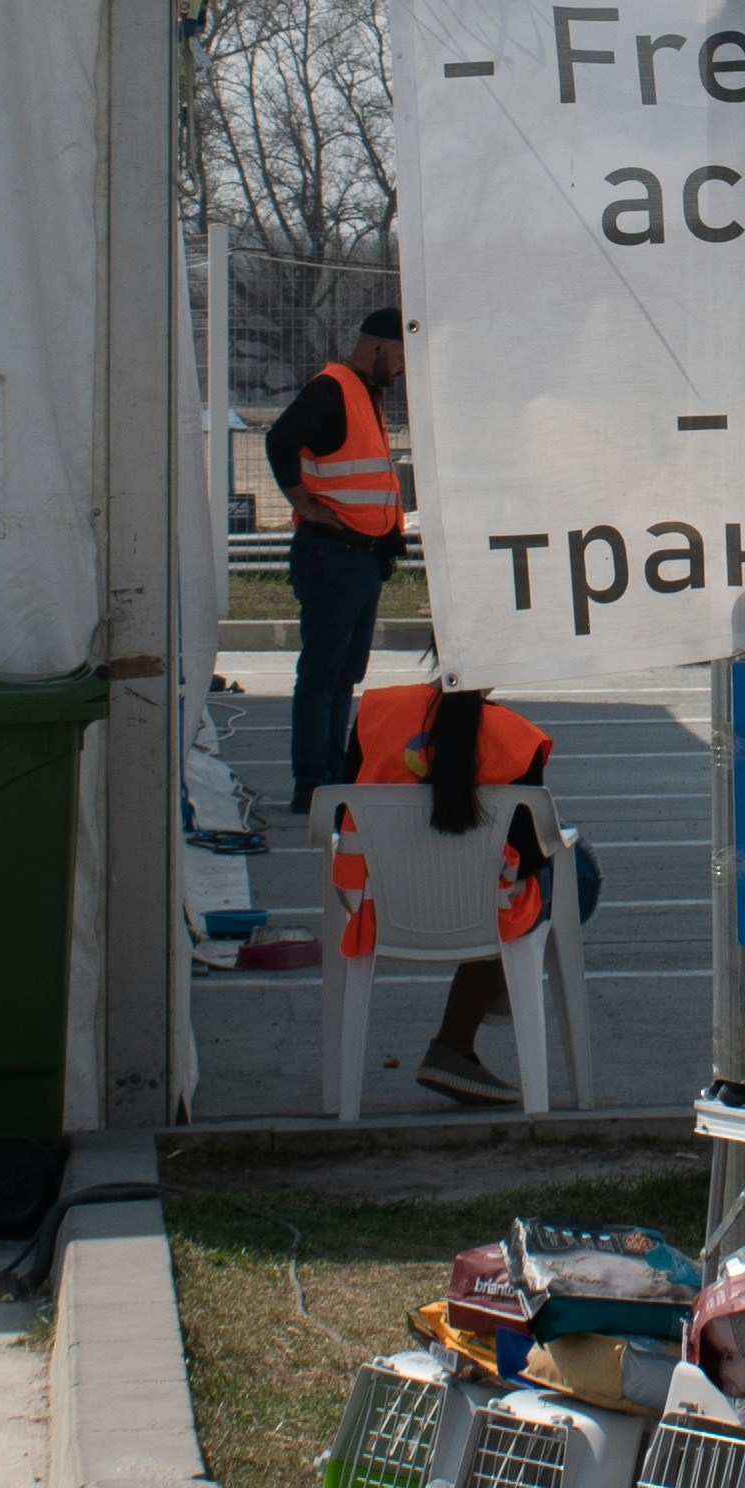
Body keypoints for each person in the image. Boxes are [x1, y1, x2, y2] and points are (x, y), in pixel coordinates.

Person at [340, 677, 599, 1107]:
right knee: (577, 872)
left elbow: (344, 805)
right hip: (480, 914)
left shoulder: (376, 710)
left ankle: (477, 1013)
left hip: (377, 904)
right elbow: (532, 857)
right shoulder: (518, 738)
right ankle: (477, 1010)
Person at [266, 309, 408, 806]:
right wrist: (302, 504)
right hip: (332, 556)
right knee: (324, 673)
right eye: (399, 357)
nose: (401, 370)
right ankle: (313, 781)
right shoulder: (334, 389)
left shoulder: (363, 394)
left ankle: (327, 773)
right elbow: (279, 439)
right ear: (377, 348)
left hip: (359, 556)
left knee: (343, 672)